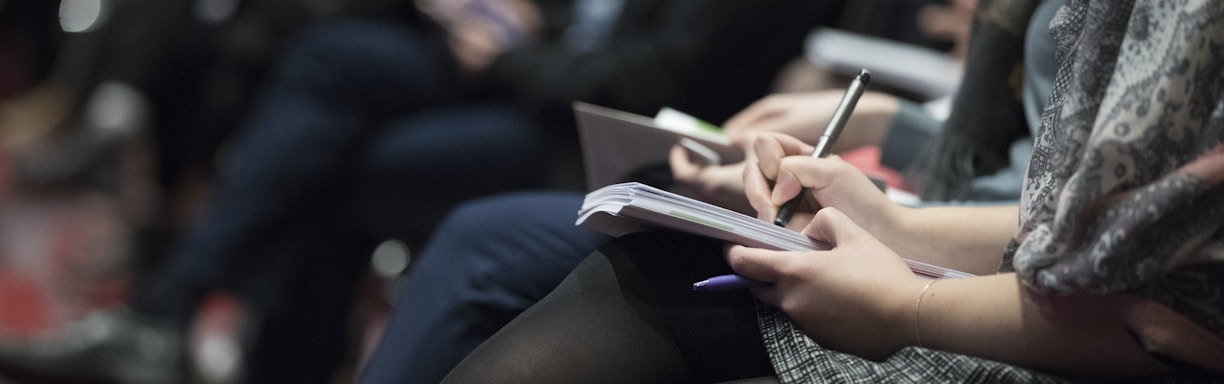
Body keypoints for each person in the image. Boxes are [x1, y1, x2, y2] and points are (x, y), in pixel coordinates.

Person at [0, 1, 844, 383]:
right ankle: (171, 316)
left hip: (599, 135)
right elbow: (591, 27)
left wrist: (507, 56)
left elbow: (641, 76)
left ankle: (180, 323)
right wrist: (515, 22)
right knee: (328, 59)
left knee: (341, 167)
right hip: (538, 73)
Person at [435, 0, 1224, 382]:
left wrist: (907, 305)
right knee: (626, 261)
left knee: (570, 263)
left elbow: (1171, 314)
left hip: (1052, 336)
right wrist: (885, 219)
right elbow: (1066, 215)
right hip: (991, 250)